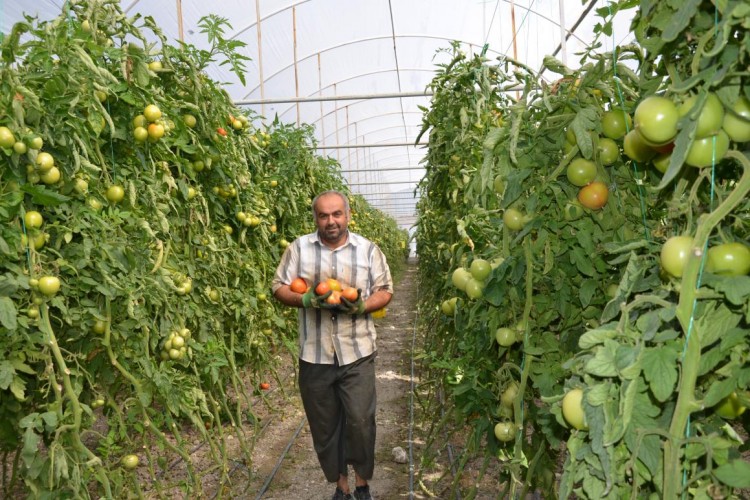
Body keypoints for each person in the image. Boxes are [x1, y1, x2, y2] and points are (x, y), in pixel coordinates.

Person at [272, 190, 393, 500]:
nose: (331, 221)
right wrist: (306, 299)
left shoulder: (368, 250)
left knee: (361, 421)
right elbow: (279, 287)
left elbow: (385, 290)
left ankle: (362, 483)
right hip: (315, 354)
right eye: (323, 215)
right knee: (325, 426)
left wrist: (362, 307)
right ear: (316, 219)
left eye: (336, 214)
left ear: (347, 216)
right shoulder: (299, 248)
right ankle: (341, 486)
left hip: (358, 353)